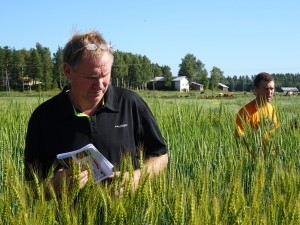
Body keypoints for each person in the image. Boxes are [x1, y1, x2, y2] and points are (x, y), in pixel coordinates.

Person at [24, 30, 168, 193]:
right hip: (68, 219)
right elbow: (31, 188)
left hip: (130, 216)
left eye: (105, 75)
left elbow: (160, 155)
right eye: (92, 77)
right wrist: (55, 185)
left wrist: (137, 177)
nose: (100, 85)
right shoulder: (44, 117)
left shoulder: (130, 103)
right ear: (68, 71)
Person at [234, 72, 279, 154]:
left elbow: (276, 132)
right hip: (254, 160)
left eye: (272, 89)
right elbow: (238, 138)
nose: (269, 92)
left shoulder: (272, 109)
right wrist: (258, 132)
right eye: (266, 89)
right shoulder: (245, 112)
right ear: (256, 89)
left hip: (272, 158)